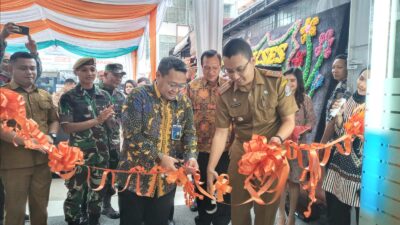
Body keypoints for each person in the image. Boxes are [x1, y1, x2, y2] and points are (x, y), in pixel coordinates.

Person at [206, 38, 298, 225]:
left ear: (253, 61)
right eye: (229, 71)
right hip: (242, 152)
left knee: (266, 209)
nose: (235, 76)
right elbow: (221, 133)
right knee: (238, 209)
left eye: (240, 69)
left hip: (270, 153)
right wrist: (210, 167)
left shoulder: (276, 82)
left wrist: (277, 139)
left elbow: (289, 121)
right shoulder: (225, 93)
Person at [117, 56, 199, 225]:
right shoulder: (138, 96)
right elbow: (132, 135)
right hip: (135, 180)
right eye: (171, 84)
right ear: (158, 75)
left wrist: (191, 156)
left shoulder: (183, 102)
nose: (175, 90)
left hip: (165, 182)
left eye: (180, 85)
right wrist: (160, 157)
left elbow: (190, 133)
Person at [0, 52, 59, 225]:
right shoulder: (3, 94)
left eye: (32, 68)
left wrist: (52, 135)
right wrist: (24, 141)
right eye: (23, 68)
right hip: (14, 162)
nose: (29, 72)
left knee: (40, 208)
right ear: (11, 68)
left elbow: (54, 119)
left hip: (42, 161)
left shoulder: (44, 95)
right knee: (14, 209)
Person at [59, 58, 115, 225]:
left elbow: (110, 126)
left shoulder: (104, 95)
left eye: (92, 69)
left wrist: (110, 119)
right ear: (76, 72)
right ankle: (73, 220)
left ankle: (93, 219)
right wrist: (97, 120)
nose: (89, 73)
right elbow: (67, 127)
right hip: (79, 153)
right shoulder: (68, 97)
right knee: (76, 191)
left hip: (101, 152)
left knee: (98, 190)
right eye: (84, 70)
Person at [188, 50, 232, 225]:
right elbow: (185, 118)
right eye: (207, 68)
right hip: (200, 150)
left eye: (215, 67)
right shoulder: (192, 87)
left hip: (226, 149)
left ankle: (222, 220)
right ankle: (204, 218)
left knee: (224, 188)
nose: (211, 71)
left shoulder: (230, 86)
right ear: (201, 66)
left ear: (220, 66)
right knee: (202, 187)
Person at [321, 68, 368, 225]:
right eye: (361, 78)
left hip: (360, 172)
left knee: (364, 215)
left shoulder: (376, 107)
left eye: (368, 81)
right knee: (336, 214)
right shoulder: (345, 99)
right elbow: (339, 130)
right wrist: (339, 115)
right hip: (338, 166)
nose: (363, 84)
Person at [277, 68, 316, 225]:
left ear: (298, 82)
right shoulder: (278, 98)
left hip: (298, 149)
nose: (289, 83)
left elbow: (311, 121)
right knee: (280, 182)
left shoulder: (305, 99)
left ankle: (292, 215)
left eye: (292, 80)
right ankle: (281, 215)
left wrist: (301, 130)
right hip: (279, 147)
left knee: (294, 183)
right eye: (286, 80)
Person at [98, 63, 127, 219]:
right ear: (105, 75)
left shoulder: (120, 96)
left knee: (110, 174)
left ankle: (106, 205)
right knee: (92, 174)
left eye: (121, 76)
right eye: (115, 75)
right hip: (94, 143)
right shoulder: (94, 91)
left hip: (114, 143)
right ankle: (88, 207)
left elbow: (125, 121)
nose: (118, 78)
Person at [325, 54, 348, 122]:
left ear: (347, 68)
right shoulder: (340, 84)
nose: (335, 70)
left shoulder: (344, 87)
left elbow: (333, 116)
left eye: (339, 67)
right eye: (333, 67)